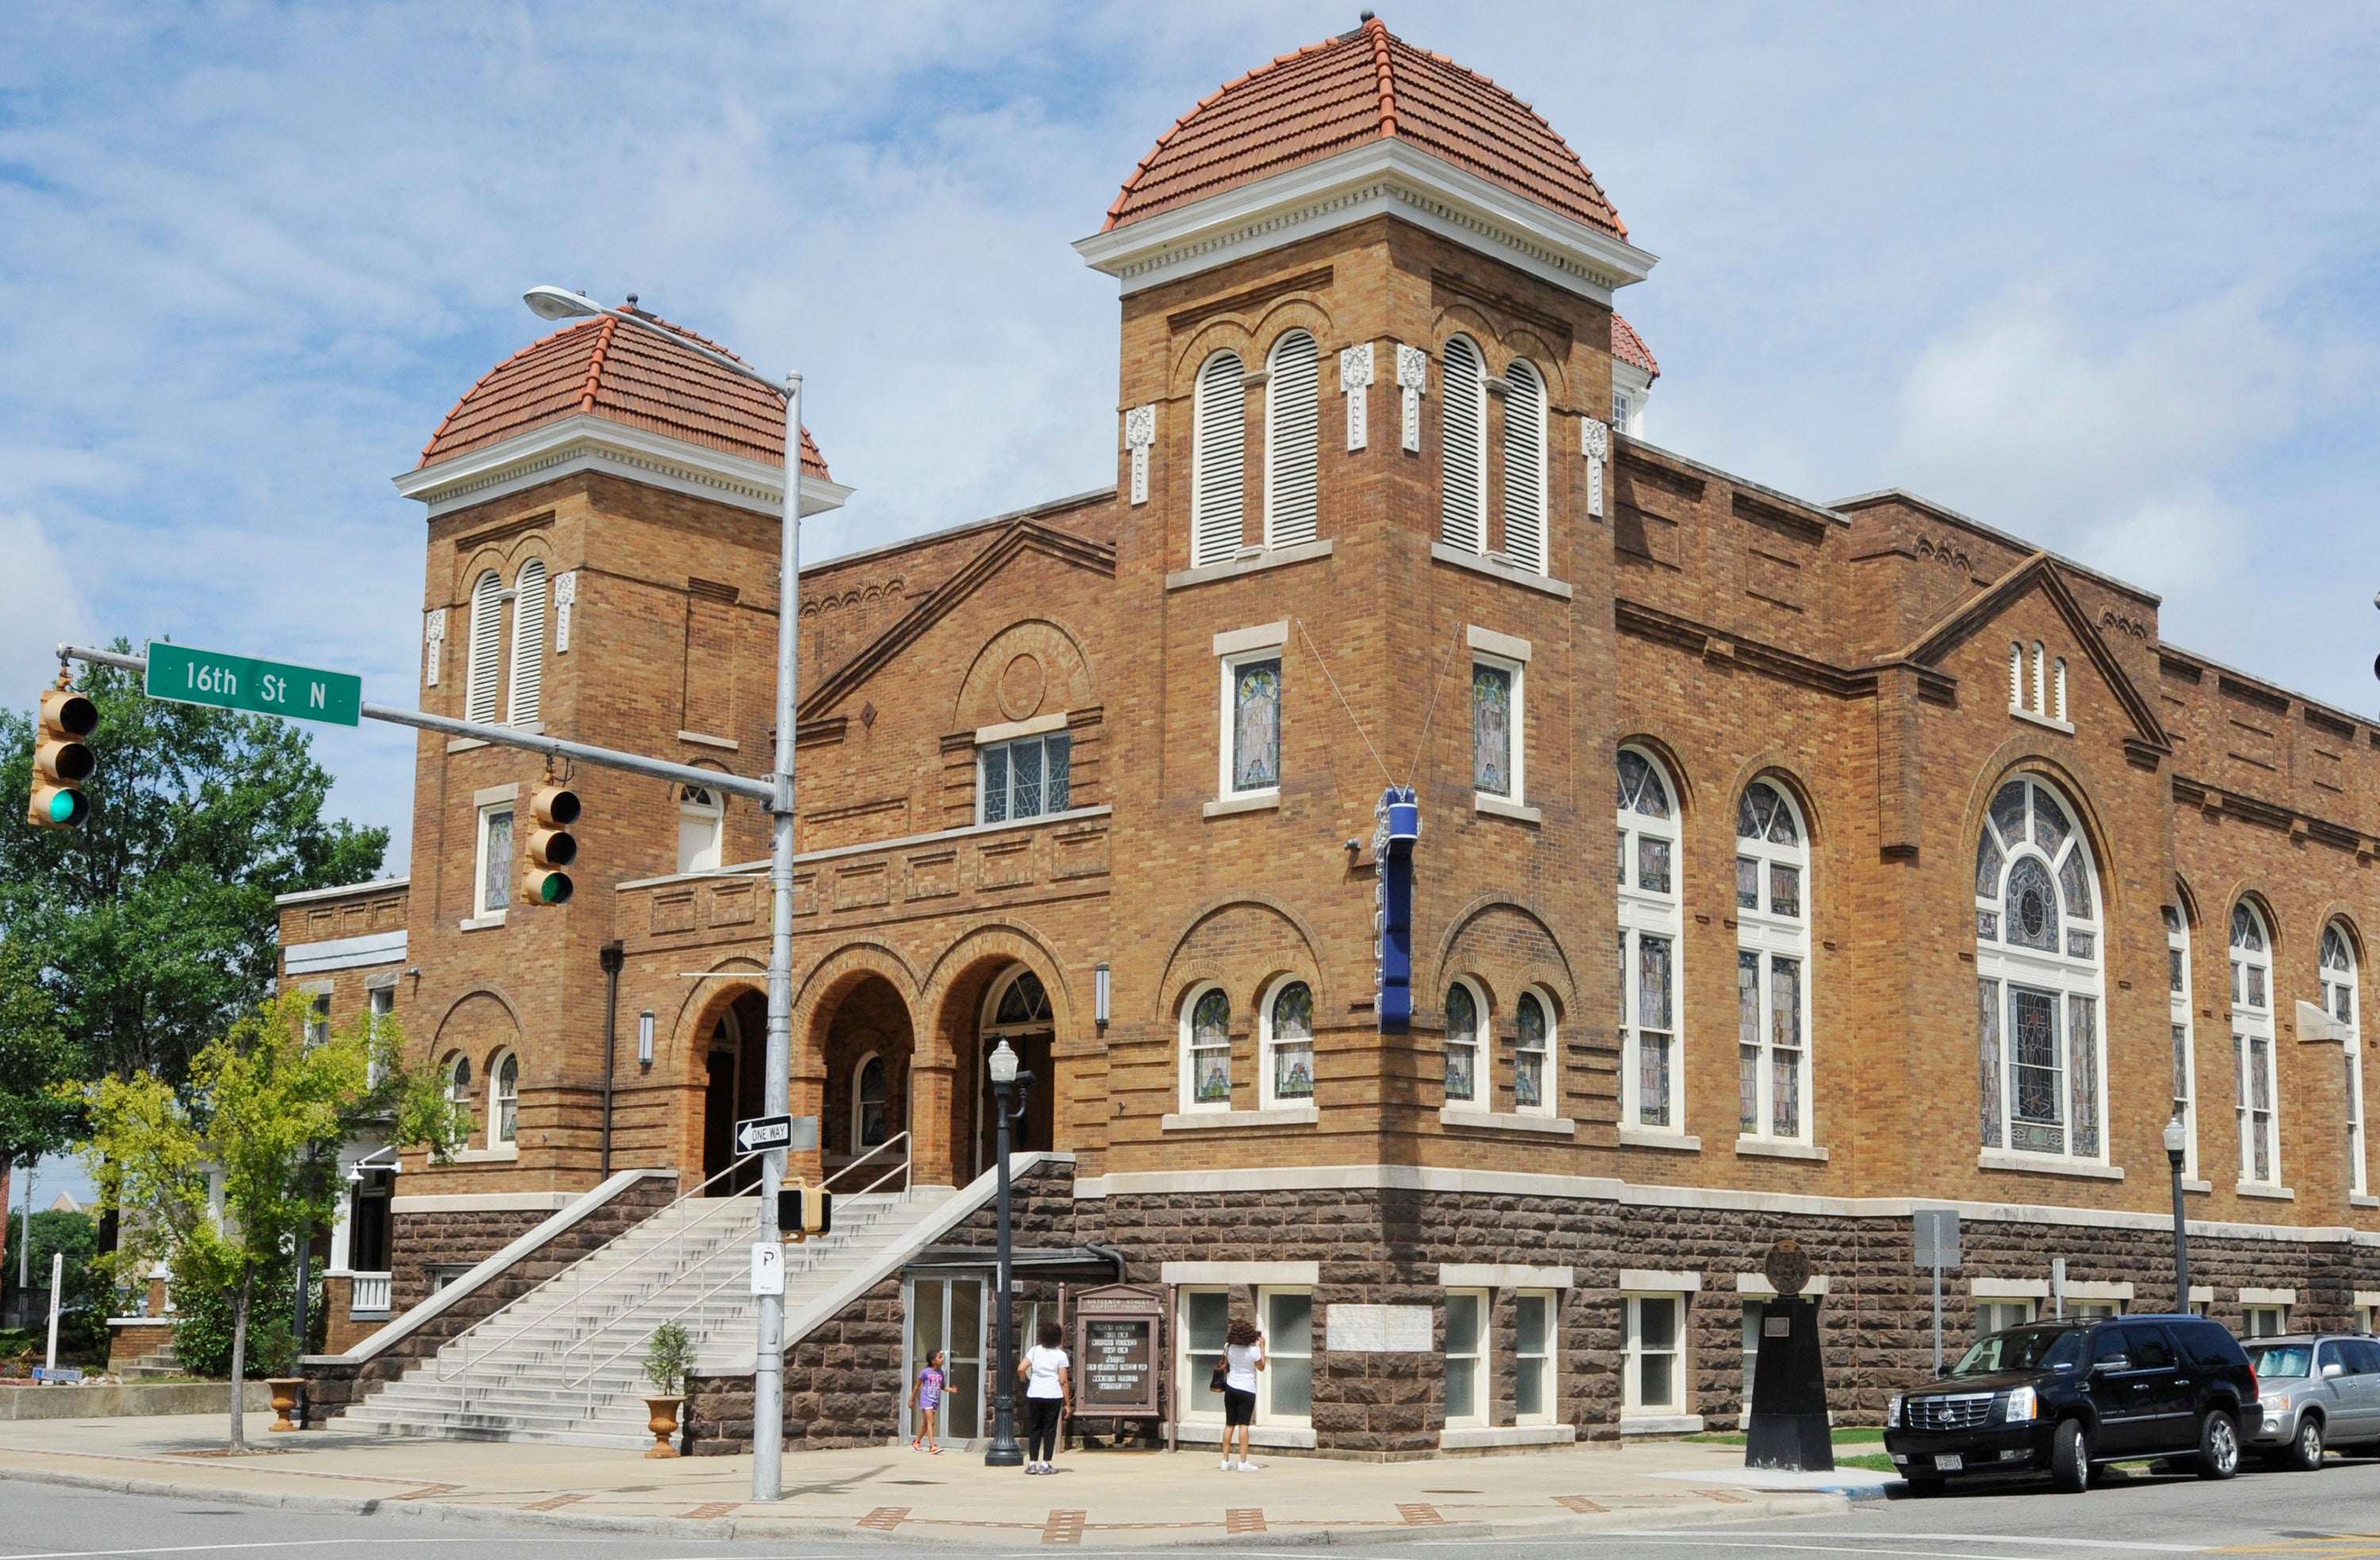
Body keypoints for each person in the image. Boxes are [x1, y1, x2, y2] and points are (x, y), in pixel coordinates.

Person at [1019, 1320, 1070, 1474]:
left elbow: (1021, 1368)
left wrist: (1027, 1381)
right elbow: (1063, 1380)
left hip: (1035, 1392)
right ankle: (1046, 1464)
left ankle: (1032, 1463)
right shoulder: (1061, 1355)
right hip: (1053, 1394)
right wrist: (1068, 1403)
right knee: (1049, 1429)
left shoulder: (1034, 1351)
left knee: (1035, 1428)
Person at [1220, 1316, 1265, 1471]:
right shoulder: (1254, 1351)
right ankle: (1243, 1462)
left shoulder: (1228, 1347)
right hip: (1247, 1389)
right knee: (1244, 1425)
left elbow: (1226, 1364)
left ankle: (1225, 1460)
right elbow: (1261, 1367)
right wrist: (1262, 1347)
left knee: (1229, 1424)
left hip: (1231, 1387)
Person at [910, 1348, 946, 1453]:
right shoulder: (925, 1372)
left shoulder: (941, 1373)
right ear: (933, 1361)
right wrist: (911, 1399)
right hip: (926, 1400)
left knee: (926, 1425)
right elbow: (917, 1386)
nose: (943, 1359)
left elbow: (942, 1387)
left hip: (935, 1401)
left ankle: (916, 1442)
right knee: (931, 1422)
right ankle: (933, 1446)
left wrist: (951, 1390)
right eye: (940, 1357)